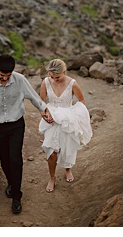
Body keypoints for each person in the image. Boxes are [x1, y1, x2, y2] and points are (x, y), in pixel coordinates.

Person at [0, 55, 53, 213]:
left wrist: (43, 109)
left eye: (8, 76)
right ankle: (11, 183)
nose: (4, 79)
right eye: (2, 75)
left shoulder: (20, 80)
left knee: (15, 159)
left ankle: (17, 196)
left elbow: (33, 96)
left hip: (17, 125)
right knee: (4, 160)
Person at [37, 58, 92, 192]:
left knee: (67, 147)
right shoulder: (46, 82)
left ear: (64, 71)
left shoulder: (72, 84)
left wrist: (75, 115)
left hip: (67, 118)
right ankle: (52, 177)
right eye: (51, 76)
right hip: (52, 118)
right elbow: (41, 101)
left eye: (57, 76)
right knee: (51, 151)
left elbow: (81, 101)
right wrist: (43, 113)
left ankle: (68, 168)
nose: (54, 79)